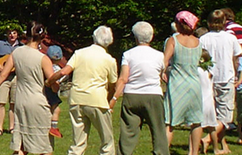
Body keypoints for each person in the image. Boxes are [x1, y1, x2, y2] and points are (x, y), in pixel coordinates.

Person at [47, 26, 118, 155]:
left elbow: (63, 71)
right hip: (98, 100)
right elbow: (113, 86)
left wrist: (49, 81)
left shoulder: (79, 53)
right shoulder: (110, 60)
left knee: (78, 143)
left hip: (77, 99)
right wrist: (109, 100)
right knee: (107, 142)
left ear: (94, 37)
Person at [0, 22, 55, 155]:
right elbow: (53, 85)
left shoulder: (16, 52)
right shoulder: (43, 58)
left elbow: (3, 75)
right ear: (42, 37)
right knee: (45, 146)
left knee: (21, 145)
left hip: (21, 101)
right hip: (38, 101)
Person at [110, 21, 168, 155]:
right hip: (153, 95)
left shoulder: (128, 54)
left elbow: (123, 78)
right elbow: (160, 74)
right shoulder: (159, 55)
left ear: (135, 37)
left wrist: (114, 98)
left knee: (128, 132)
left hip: (132, 95)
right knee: (158, 130)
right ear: (151, 37)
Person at [198, 10, 242, 150]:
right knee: (225, 117)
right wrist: (237, 74)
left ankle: (222, 145)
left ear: (209, 23)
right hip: (225, 77)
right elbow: (237, 57)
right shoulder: (231, 38)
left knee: (215, 115)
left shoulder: (203, 39)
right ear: (224, 22)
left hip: (208, 79)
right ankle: (207, 139)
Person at [162, 11, 203, 155]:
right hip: (195, 84)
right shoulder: (198, 42)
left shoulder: (173, 40)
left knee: (170, 122)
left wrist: (163, 73)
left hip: (177, 84)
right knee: (196, 121)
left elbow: (165, 61)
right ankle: (194, 152)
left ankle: (164, 152)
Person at [198, 49, 225, 155]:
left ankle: (194, 148)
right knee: (212, 126)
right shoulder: (209, 70)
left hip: (200, 101)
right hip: (209, 101)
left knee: (197, 126)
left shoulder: (198, 71)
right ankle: (215, 148)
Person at [43, 44, 66, 139]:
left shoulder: (43, 66)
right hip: (51, 91)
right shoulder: (56, 69)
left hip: (43, 91)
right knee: (56, 109)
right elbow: (56, 82)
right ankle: (54, 127)